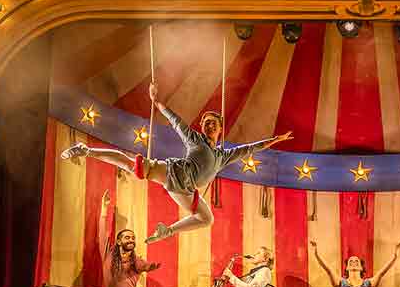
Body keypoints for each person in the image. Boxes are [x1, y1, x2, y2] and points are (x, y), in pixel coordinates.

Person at [60, 82, 292, 244]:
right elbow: (175, 121)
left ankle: (166, 231)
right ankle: (86, 150)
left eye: (213, 123)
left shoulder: (224, 156)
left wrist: (275, 140)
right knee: (133, 166)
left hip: (186, 190)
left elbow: (249, 148)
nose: (209, 126)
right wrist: (156, 101)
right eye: (206, 123)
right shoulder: (196, 140)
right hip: (172, 173)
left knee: (206, 218)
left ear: (221, 128)